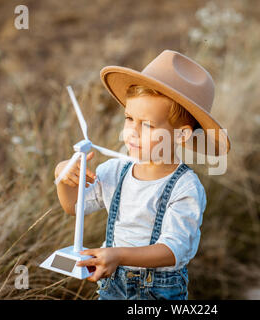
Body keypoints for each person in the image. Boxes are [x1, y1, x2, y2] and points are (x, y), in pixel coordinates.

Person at [54, 49, 230, 299]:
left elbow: (172, 250)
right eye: (129, 118)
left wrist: (118, 254)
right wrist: (63, 175)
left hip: (158, 289)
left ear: (181, 135)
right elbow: (74, 206)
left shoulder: (185, 187)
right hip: (111, 284)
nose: (132, 132)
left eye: (147, 124)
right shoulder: (114, 171)